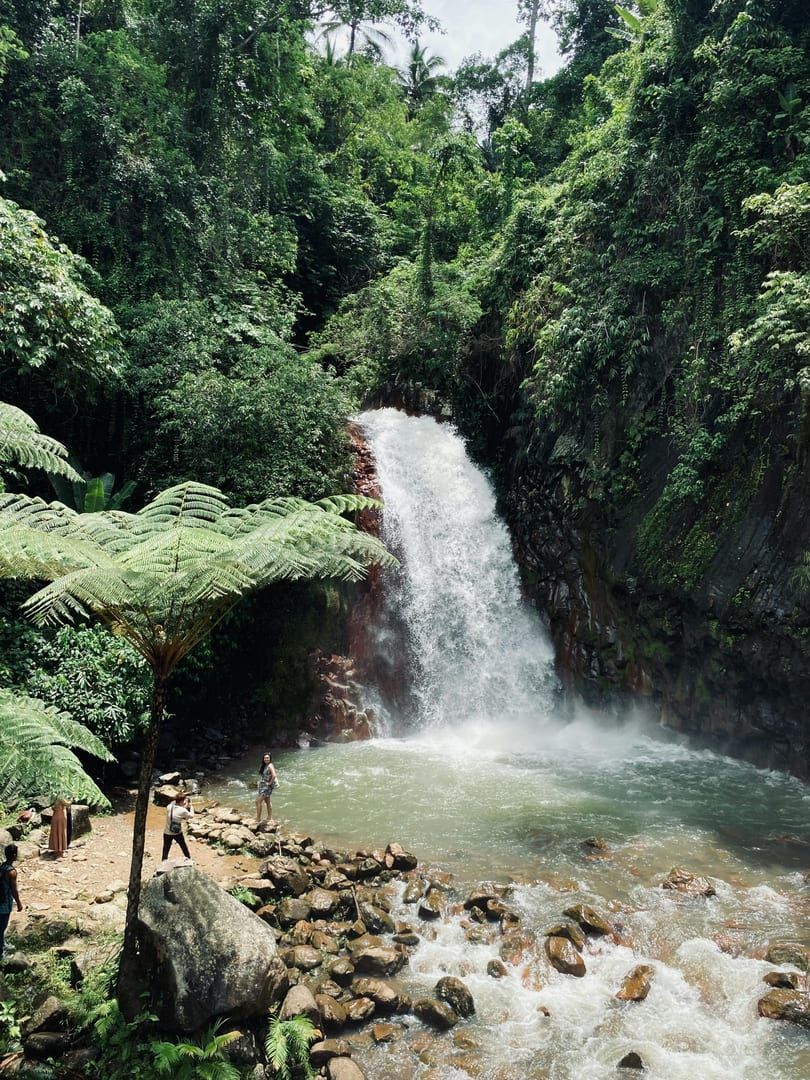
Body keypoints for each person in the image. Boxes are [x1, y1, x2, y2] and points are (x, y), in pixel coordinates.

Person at [0, 844, 23, 958]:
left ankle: (3, 944)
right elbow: (14, 890)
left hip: (1, 900)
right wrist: (19, 903)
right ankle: (1, 953)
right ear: (14, 855)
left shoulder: (2, 867)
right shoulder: (11, 872)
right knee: (1, 927)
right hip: (4, 903)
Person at [162, 791, 194, 862]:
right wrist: (191, 807)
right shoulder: (183, 810)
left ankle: (164, 861)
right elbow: (191, 816)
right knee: (183, 846)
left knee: (166, 848)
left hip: (167, 832)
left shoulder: (169, 807)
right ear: (182, 801)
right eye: (184, 801)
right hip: (177, 833)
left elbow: (174, 804)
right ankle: (188, 858)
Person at [255, 752, 277, 825]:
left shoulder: (270, 765)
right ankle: (269, 817)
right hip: (263, 786)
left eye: (267, 758)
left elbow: (274, 775)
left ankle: (258, 819)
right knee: (267, 801)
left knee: (258, 801)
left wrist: (269, 783)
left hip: (266, 787)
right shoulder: (265, 765)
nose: (266, 759)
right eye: (265, 758)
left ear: (270, 759)